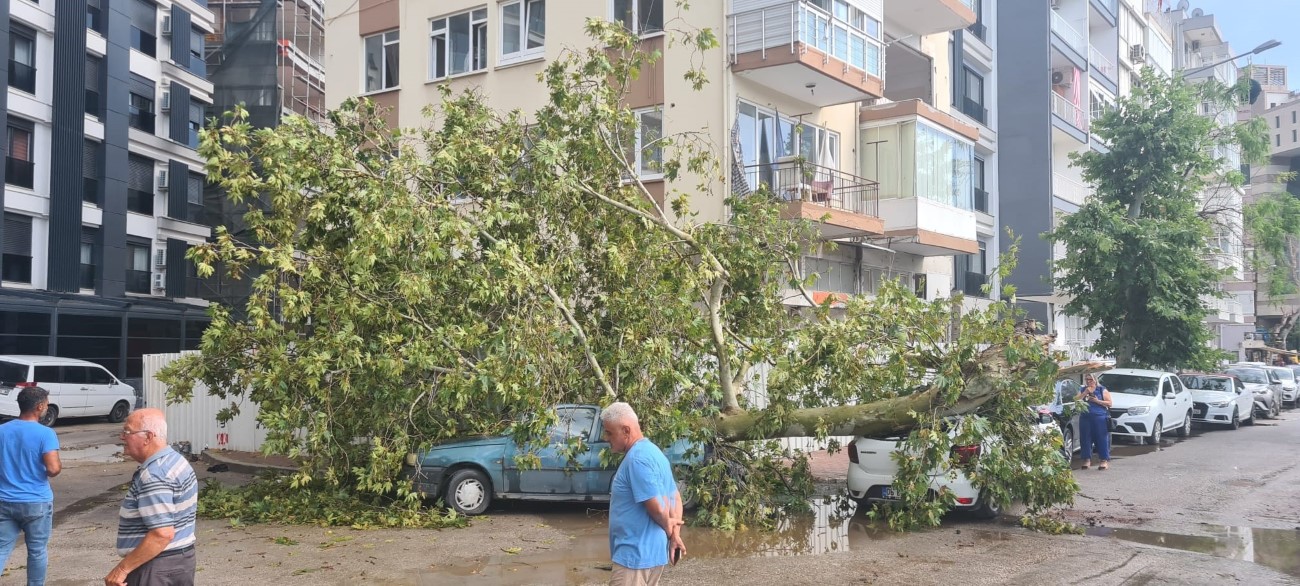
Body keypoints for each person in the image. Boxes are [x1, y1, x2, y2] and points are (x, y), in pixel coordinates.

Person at [105, 408, 197, 586]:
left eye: (127, 432)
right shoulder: (175, 460)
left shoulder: (155, 475)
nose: (122, 437)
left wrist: (122, 569)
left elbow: (161, 534)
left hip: (156, 567)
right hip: (180, 560)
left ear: (148, 437)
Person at [600, 402, 685, 586]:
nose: (605, 437)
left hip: (634, 557)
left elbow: (656, 508)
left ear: (626, 430)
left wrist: (671, 533)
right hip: (650, 556)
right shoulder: (654, 452)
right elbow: (675, 498)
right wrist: (675, 535)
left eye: (609, 432)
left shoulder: (637, 459)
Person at [0, 387, 61, 586]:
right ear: (39, 406)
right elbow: (53, 468)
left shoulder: (2, 431)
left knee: (1, 549)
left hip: (5, 500)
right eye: (46, 404)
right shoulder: (46, 433)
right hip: (36, 502)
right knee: (36, 551)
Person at [1075, 374, 1113, 470]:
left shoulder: (1101, 389)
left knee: (1101, 439)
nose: (1088, 381)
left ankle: (1103, 460)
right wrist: (1085, 393)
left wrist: (1097, 401)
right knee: (1085, 439)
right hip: (1085, 418)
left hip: (1100, 418)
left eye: (1090, 379)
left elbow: (1110, 403)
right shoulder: (1083, 389)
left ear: (1095, 380)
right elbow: (1076, 400)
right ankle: (1086, 460)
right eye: (1086, 379)